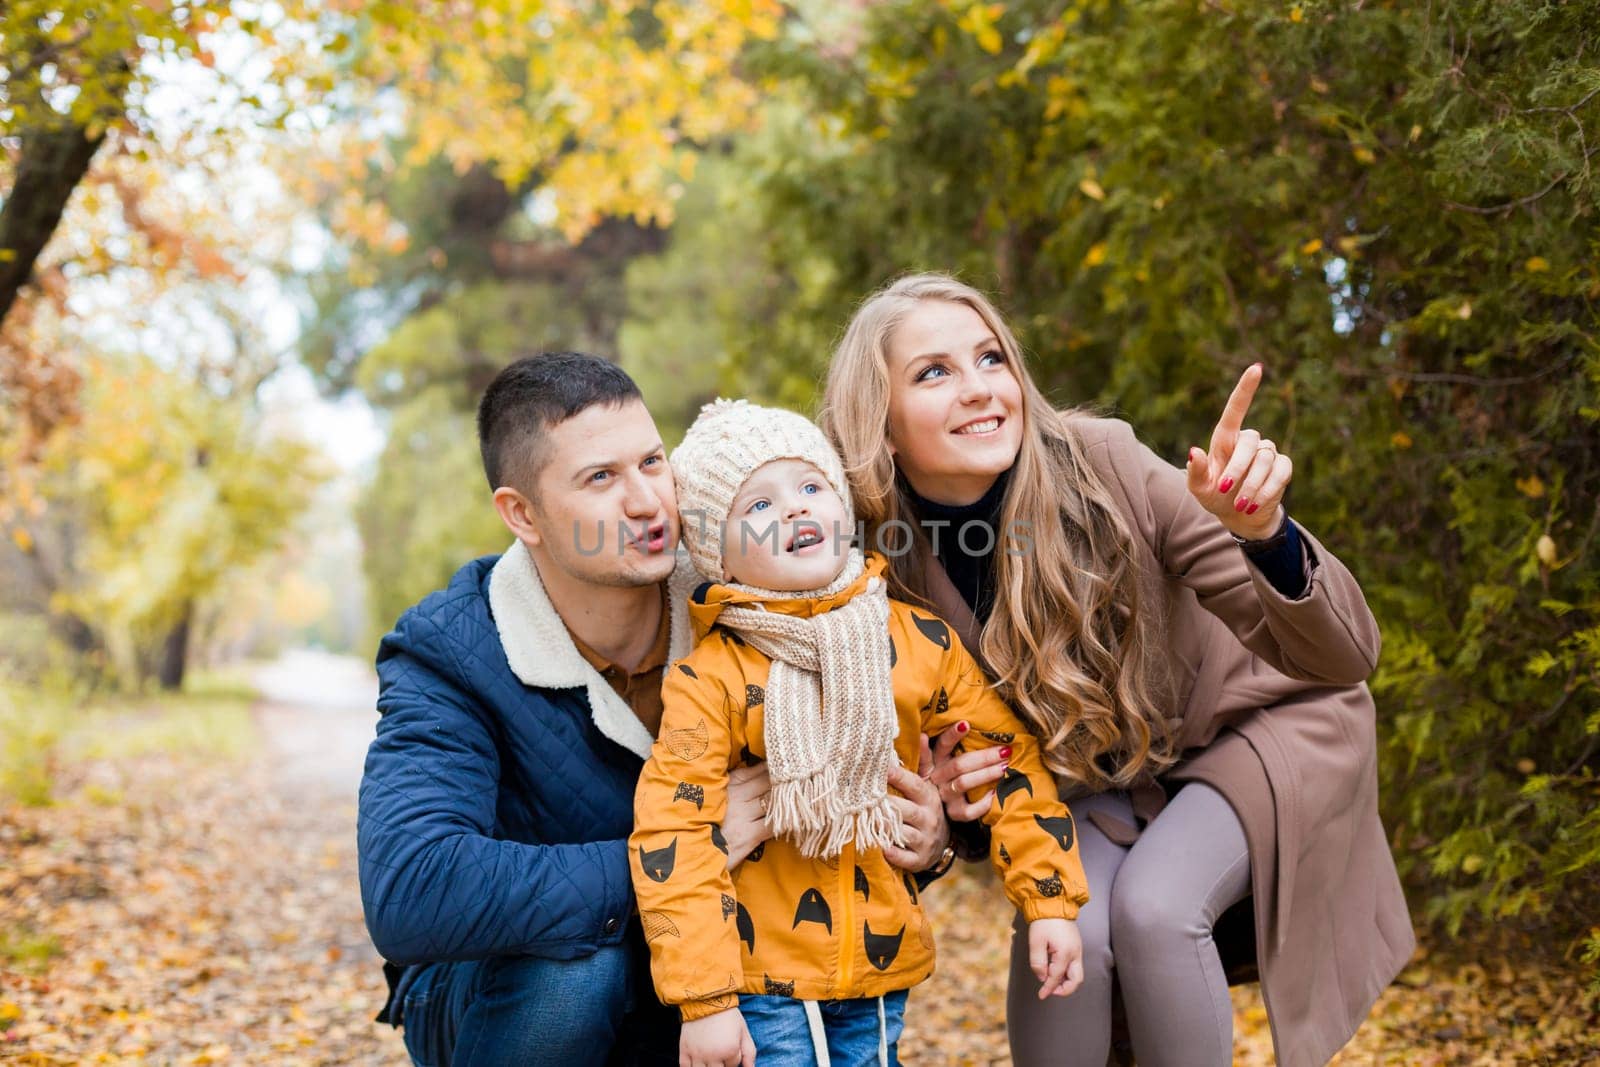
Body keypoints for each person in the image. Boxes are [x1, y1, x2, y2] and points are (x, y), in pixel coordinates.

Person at [818, 274, 1415, 1067]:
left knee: (1156, 908)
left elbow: (1343, 655)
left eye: (991, 358)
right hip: (1110, 782)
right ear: (880, 424)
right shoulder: (881, 568)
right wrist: (953, 807)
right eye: (934, 372)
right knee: (1061, 921)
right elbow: (945, 788)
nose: (979, 389)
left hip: (1262, 727)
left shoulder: (1105, 463)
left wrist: (1265, 533)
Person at [356, 353, 956, 1066]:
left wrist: (932, 835)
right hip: (511, 992)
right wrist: (684, 851)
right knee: (575, 970)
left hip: (731, 979)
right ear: (523, 514)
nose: (647, 501)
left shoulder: (749, 595)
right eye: (601, 478)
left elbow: (867, 762)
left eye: (651, 461)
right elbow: (413, 888)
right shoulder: (452, 651)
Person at [630, 399, 1088, 1067]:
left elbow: (1007, 761)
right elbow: (672, 833)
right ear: (715, 553)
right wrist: (707, 1001)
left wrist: (1049, 901)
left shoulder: (914, 641)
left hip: (879, 963)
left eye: (811, 486)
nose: (793, 509)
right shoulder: (714, 678)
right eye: (757, 506)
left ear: (842, 507)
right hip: (759, 976)